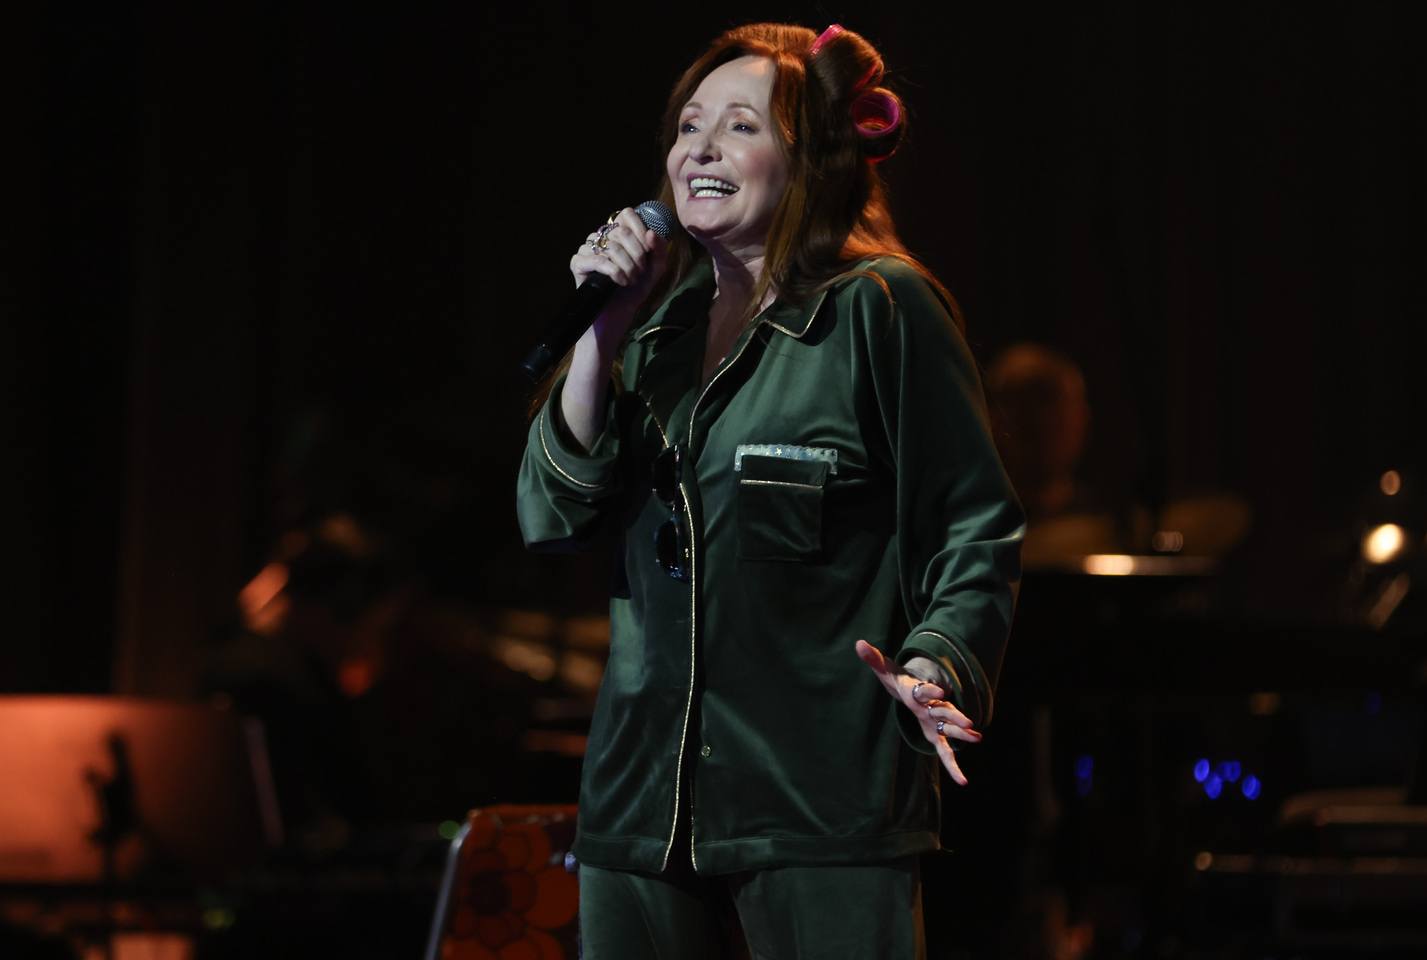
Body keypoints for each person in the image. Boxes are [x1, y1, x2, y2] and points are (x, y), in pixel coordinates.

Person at [516, 22, 1024, 958]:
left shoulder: (878, 308)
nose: (700, 149)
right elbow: (555, 513)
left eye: (739, 126)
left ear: (809, 159)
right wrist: (602, 335)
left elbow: (973, 522)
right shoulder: (656, 329)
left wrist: (937, 662)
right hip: (641, 802)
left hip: (817, 804)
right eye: (689, 125)